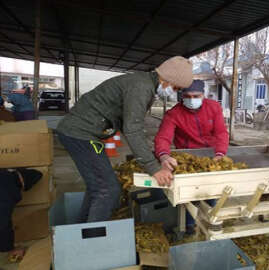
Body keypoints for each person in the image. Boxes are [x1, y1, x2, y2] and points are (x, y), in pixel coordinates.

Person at [56, 56, 193, 223]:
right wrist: (154, 168)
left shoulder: (144, 84)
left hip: (84, 132)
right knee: (108, 189)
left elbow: (129, 125)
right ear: (167, 79)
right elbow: (133, 130)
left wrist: (157, 157)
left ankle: (81, 230)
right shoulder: (141, 87)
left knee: (98, 188)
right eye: (177, 87)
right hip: (80, 133)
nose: (175, 92)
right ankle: (93, 239)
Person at [154, 79, 229, 170]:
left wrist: (220, 153)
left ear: (203, 95)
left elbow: (221, 132)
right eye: (187, 96)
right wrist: (164, 155)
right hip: (186, 155)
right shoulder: (173, 114)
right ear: (182, 96)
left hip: (211, 152)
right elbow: (163, 137)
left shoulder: (214, 107)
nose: (191, 99)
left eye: (196, 96)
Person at [0, 169, 42, 260]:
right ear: (23, 182)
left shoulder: (4, 175)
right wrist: (9, 248)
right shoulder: (7, 189)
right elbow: (3, 221)